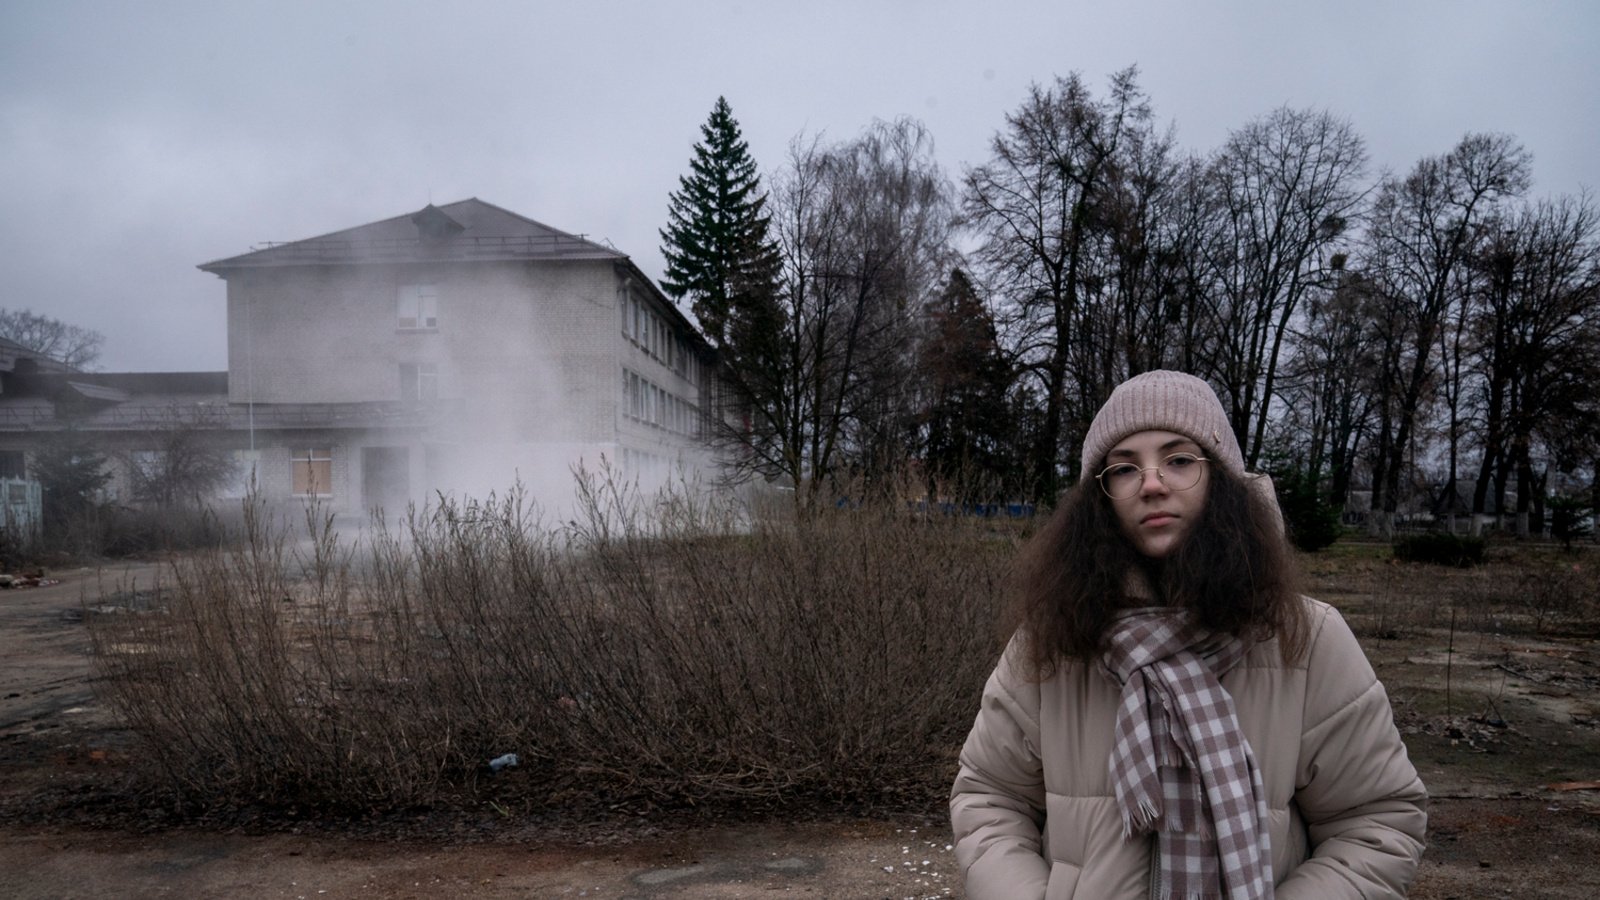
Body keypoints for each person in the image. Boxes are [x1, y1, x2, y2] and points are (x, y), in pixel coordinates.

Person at [950, 371, 1426, 899]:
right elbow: (989, 801)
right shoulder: (1051, 640)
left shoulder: (1306, 640)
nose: (1152, 483)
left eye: (1179, 460)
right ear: (1100, 499)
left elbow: (1376, 823)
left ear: (1221, 480)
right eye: (1125, 467)